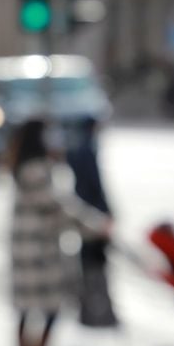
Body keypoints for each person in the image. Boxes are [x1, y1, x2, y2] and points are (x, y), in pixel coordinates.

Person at [2, 119, 111, 346]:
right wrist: (97, 225)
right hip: (39, 254)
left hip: (26, 251)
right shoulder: (38, 170)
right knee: (49, 309)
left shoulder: (22, 167)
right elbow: (60, 208)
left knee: (27, 311)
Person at [65, 116, 118, 328]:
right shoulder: (86, 150)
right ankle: (96, 312)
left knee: (89, 261)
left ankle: (90, 310)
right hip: (93, 214)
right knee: (95, 263)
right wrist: (106, 211)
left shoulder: (76, 148)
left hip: (84, 211)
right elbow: (95, 184)